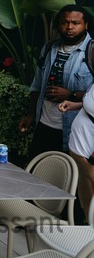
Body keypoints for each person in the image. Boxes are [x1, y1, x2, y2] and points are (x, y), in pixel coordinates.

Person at [20, 5, 92, 158]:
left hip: (74, 131)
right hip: (44, 125)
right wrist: (31, 115)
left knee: (66, 179)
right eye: (64, 22)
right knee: (36, 174)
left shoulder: (92, 52)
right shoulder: (49, 48)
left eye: (76, 23)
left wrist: (71, 94)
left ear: (86, 25)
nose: (69, 27)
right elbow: (37, 85)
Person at [59, 89, 94, 219]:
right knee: (87, 201)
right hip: (81, 150)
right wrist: (78, 105)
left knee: (92, 207)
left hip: (89, 156)